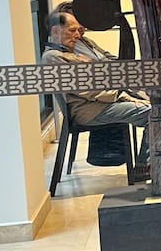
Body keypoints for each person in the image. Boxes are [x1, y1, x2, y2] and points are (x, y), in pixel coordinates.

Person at [42, 11, 150, 159]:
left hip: (98, 102)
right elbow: (88, 90)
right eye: (72, 30)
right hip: (89, 109)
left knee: (157, 103)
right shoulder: (53, 57)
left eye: (79, 30)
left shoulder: (69, 51)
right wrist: (123, 95)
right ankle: (145, 164)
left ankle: (148, 162)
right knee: (153, 112)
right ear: (55, 31)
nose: (78, 35)